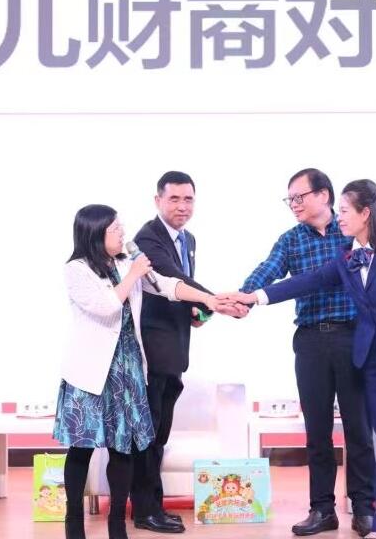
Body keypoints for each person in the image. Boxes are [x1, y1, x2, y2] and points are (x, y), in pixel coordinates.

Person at [228, 180, 376, 539]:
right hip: (370, 362)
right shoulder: (344, 257)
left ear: (365, 213)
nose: (339, 217)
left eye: (344, 210)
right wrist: (252, 297)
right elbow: (305, 281)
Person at [54, 204, 227, 539]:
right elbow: (106, 307)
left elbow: (167, 286)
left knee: (124, 449)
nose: (123, 233)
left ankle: (117, 524)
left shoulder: (125, 263)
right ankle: (73, 524)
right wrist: (133, 274)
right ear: (95, 233)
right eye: (115, 228)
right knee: (81, 448)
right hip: (90, 373)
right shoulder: (76, 269)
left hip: (129, 367)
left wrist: (209, 300)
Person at [239, 168, 376, 537]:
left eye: (299, 197)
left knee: (359, 428)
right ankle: (322, 509)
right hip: (311, 341)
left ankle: (364, 508)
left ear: (324, 195)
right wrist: (243, 297)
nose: (294, 205)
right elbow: (267, 271)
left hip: (353, 338)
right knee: (316, 431)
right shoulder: (291, 239)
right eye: (290, 199)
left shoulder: (351, 232)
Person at [129, 171, 247, 534]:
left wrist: (201, 311)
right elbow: (171, 278)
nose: (182, 206)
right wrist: (218, 301)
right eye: (174, 199)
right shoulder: (147, 238)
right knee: (148, 432)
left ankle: (153, 506)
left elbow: (182, 291)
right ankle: (145, 510)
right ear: (158, 201)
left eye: (188, 199)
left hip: (176, 347)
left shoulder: (188, 238)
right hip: (151, 350)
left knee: (160, 433)